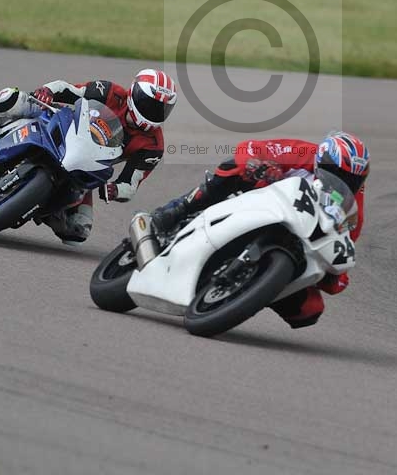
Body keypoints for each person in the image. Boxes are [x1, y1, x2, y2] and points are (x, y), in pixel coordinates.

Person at [152, 132, 369, 329]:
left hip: (295, 241)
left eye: (352, 179)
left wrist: (334, 277)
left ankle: (250, 290)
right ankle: (180, 208)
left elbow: (342, 251)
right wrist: (259, 165)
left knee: (310, 310)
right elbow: (251, 147)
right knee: (235, 166)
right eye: (337, 173)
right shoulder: (303, 152)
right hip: (261, 201)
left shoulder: (353, 212)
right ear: (321, 161)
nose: (343, 182)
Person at [0, 69, 177, 244]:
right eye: (148, 103)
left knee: (78, 229)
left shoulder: (153, 146)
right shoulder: (111, 92)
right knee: (10, 99)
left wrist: (114, 190)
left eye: (161, 108)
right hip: (62, 124)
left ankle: (39, 205)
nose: (153, 111)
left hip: (86, 165)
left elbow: (131, 183)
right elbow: (68, 89)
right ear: (134, 93)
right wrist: (47, 91)